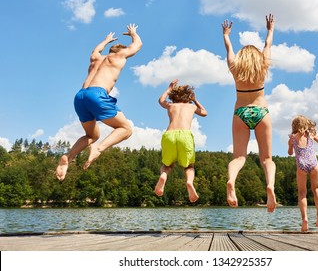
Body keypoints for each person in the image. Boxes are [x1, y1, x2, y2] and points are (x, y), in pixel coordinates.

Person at [56, 24, 142, 181]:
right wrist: (133, 33)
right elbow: (137, 46)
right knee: (126, 129)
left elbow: (95, 51)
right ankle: (98, 149)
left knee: (92, 134)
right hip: (97, 94)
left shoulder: (95, 59)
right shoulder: (117, 56)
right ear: (120, 51)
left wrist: (106, 40)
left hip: (80, 97)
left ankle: (68, 157)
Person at [222, 14, 277, 211]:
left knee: (239, 157)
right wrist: (270, 29)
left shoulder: (235, 67)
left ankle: (231, 181)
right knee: (267, 159)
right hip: (261, 111)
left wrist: (227, 35)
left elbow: (229, 49)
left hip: (241, 112)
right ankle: (269, 185)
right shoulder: (263, 64)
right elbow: (268, 45)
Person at [154, 79, 208, 203]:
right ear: (188, 96)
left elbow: (161, 101)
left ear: (173, 96)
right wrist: (195, 100)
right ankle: (189, 182)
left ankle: (163, 176)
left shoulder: (171, 105)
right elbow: (205, 113)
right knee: (189, 166)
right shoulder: (191, 106)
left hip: (169, 135)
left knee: (167, 165)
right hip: (185, 135)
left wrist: (168, 89)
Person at [288, 115, 318, 232]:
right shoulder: (310, 134)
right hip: (313, 163)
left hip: (301, 165)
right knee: (316, 188)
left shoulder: (292, 138)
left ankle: (305, 219)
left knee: (302, 192)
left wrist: (290, 145)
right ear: (306, 124)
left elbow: (290, 153)